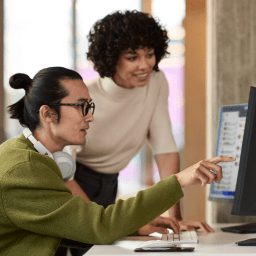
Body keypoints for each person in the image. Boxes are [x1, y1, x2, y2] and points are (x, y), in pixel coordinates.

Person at [0, 66, 234, 256]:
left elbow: (75, 226)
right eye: (81, 107)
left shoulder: (34, 158)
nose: (90, 116)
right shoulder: (25, 168)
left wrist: (136, 225)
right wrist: (179, 180)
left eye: (89, 106)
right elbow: (99, 226)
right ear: (48, 114)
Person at [65, 9, 213, 247]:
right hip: (70, 183)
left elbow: (165, 150)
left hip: (110, 185)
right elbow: (63, 172)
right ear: (111, 57)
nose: (145, 65)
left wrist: (174, 221)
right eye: (132, 57)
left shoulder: (156, 82)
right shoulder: (86, 95)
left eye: (150, 54)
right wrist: (101, 223)